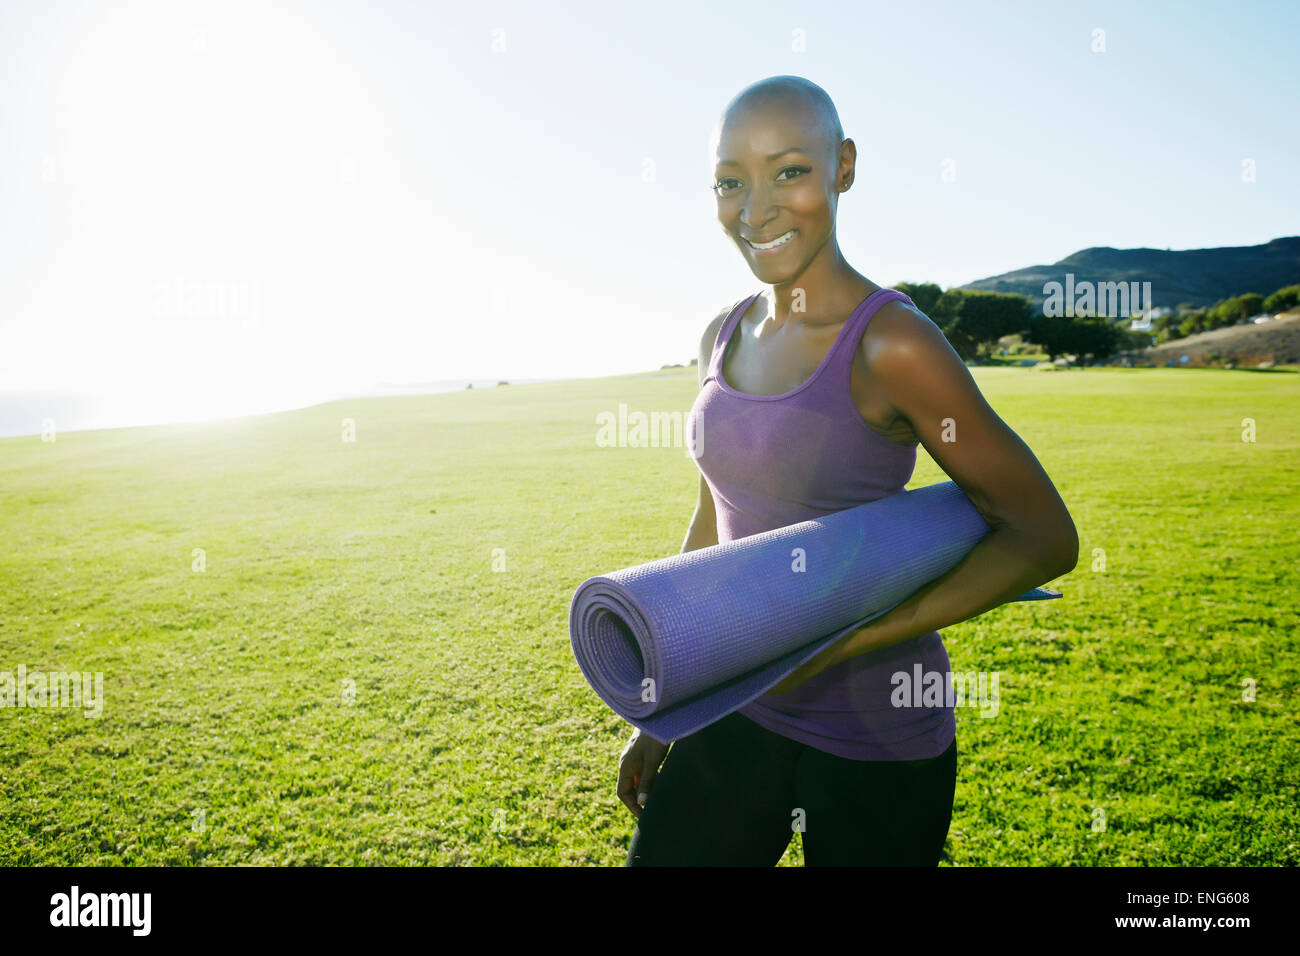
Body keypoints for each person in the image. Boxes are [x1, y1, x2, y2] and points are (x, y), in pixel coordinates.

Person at [617, 75, 1078, 866]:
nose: (755, 208)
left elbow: (1040, 535)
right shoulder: (719, 336)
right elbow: (713, 521)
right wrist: (660, 710)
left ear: (845, 167)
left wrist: (847, 642)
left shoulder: (893, 344)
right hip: (734, 709)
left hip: (877, 740)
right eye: (730, 182)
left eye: (789, 170)